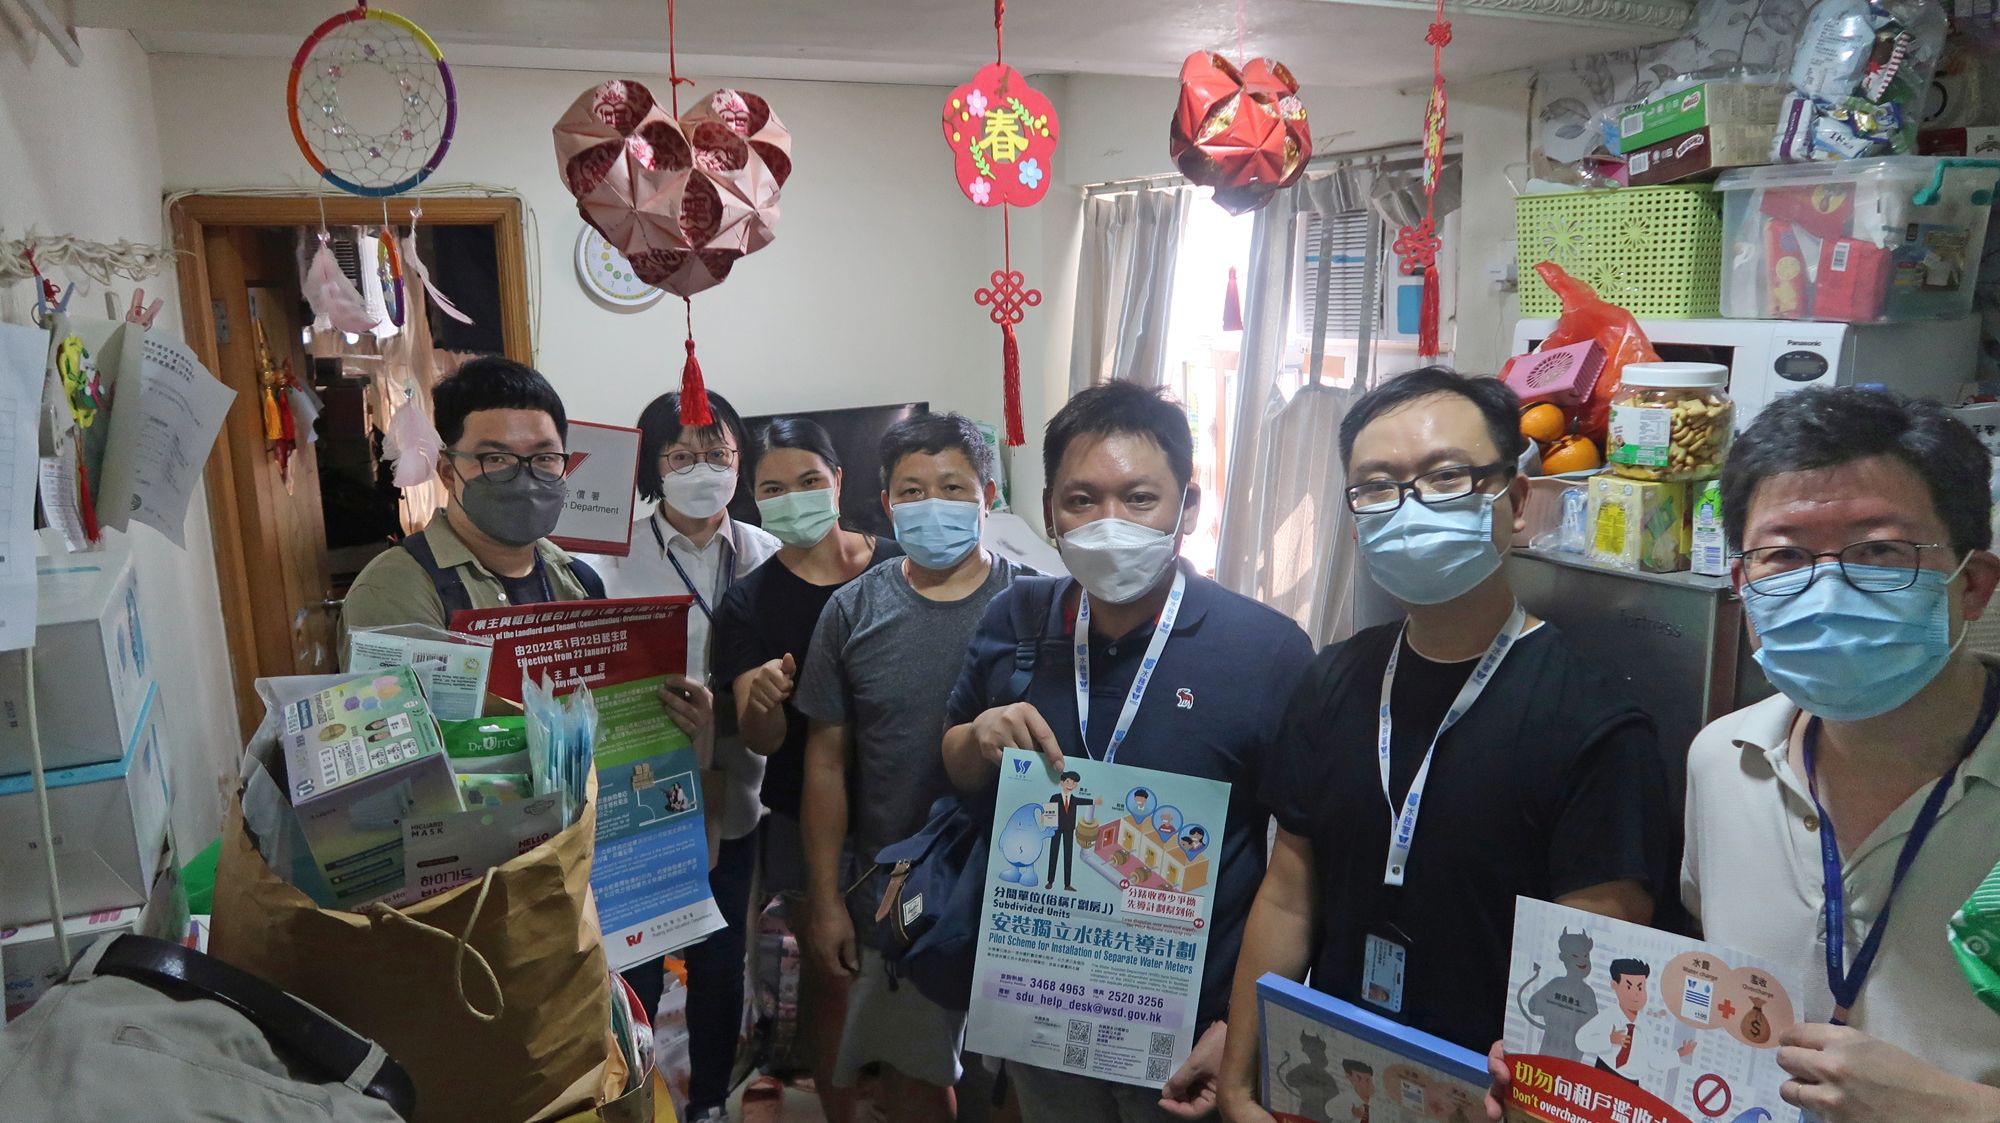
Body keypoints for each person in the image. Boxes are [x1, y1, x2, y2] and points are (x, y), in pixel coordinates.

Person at [1222, 367, 1677, 1123]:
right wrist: (1241, 1082)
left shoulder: (1596, 726)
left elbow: (1593, 975)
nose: (1411, 507)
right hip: (1335, 1086)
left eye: (1446, 477)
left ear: (1516, 502)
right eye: (1377, 486)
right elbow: (1288, 895)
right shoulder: (1332, 678)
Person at [941, 380, 1315, 1123]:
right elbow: (952, 762)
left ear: (1188, 506)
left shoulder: (1266, 650)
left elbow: (1300, 867)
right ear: (1049, 510)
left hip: (1190, 1032)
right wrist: (978, 739)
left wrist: (1241, 1027)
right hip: (1041, 1004)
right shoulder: (1016, 616)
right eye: (1081, 500)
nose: (1109, 523)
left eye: (1140, 498)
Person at [1678, 389, 2000, 1120]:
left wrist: (1959, 1110)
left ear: (1973, 584)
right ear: (1744, 588)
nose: (1826, 587)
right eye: (1785, 555)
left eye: (1879, 550)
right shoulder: (1721, 761)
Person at [793, 412, 1028, 1122]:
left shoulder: (1036, 606)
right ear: (887, 502)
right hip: (900, 891)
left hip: (1022, 889)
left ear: (988, 495)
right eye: (913, 490)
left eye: (952, 487)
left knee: (1021, 1082)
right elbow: (825, 763)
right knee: (913, 1075)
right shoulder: (852, 610)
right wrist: (826, 898)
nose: (933, 505)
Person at [583, 389, 779, 1123]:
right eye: (682, 455)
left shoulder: (768, 555)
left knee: (720, 956)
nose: (703, 469)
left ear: (740, 461)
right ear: (652, 466)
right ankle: (637, 1100)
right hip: (640, 793)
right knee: (635, 959)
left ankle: (708, 1102)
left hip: (735, 787)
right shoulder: (606, 561)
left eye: (718, 453)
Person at [713, 417, 901, 1123]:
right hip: (804, 818)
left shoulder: (901, 566)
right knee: (834, 980)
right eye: (773, 489)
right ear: (754, 498)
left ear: (839, 481)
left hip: (910, 811)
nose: (792, 499)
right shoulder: (749, 602)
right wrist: (764, 699)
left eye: (809, 481)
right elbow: (761, 737)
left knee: (914, 988)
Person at [343, 356, 606, 640]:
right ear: (448, 472)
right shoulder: (395, 589)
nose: (524, 478)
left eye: (544, 457)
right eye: (495, 458)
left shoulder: (580, 582)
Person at [1045, 771, 1096, 891]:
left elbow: (1085, 801)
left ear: (1075, 785)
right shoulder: (1055, 797)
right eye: (1068, 781)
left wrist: (1095, 801)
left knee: (1068, 855)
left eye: (1073, 783)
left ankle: (1067, 884)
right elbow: (1049, 813)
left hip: (1069, 830)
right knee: (1053, 853)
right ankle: (1050, 881)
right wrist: (1049, 827)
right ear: (1062, 782)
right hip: (1056, 829)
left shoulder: (1074, 799)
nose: (1070, 785)